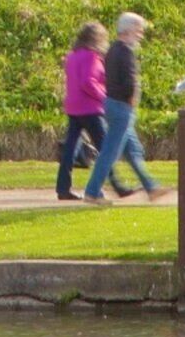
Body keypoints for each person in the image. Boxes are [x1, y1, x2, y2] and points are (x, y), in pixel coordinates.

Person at [87, 12, 156, 202]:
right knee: (110, 153)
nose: (140, 34)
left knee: (133, 151)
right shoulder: (124, 52)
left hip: (114, 105)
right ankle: (92, 191)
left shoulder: (113, 50)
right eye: (138, 30)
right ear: (128, 30)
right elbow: (129, 81)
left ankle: (152, 187)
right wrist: (132, 99)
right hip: (121, 108)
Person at [55, 21, 108, 200]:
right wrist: (104, 96)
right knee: (107, 147)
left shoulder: (72, 56)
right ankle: (114, 184)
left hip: (73, 106)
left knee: (70, 149)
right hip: (90, 108)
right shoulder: (92, 56)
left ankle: (63, 188)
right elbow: (88, 82)